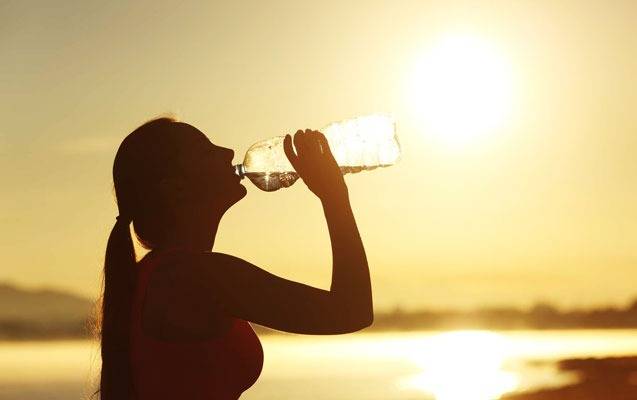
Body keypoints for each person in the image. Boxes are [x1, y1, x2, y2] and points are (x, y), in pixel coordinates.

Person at [97, 117, 373, 400]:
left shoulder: (161, 274)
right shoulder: (195, 277)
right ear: (176, 189)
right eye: (206, 151)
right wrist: (334, 195)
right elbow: (351, 311)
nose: (227, 152)